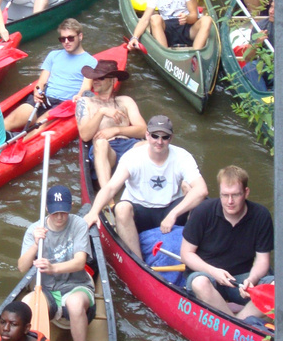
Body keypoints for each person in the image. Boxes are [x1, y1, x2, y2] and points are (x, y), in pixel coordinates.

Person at [83, 115, 208, 263]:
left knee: (203, 203)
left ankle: (199, 254)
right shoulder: (133, 157)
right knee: (121, 208)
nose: (159, 142)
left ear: (171, 138)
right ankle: (138, 263)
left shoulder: (182, 156)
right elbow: (110, 188)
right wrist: (93, 212)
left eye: (165, 137)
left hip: (170, 209)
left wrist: (173, 214)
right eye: (155, 136)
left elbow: (202, 190)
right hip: (140, 211)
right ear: (147, 135)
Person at [16, 183, 96, 341]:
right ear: (46, 209)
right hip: (48, 290)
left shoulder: (78, 225)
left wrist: (52, 268)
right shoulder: (35, 229)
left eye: (64, 212)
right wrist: (36, 245)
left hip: (77, 285)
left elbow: (79, 262)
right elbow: (22, 267)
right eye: (55, 213)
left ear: (70, 207)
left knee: (75, 304)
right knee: (26, 306)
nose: (60, 217)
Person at [181, 166, 273, 322]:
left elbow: (262, 260)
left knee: (276, 287)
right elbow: (186, 254)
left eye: (235, 195)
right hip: (208, 276)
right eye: (225, 195)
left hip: (242, 281)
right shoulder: (203, 211)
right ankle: (234, 324)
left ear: (246, 192)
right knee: (199, 283)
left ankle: (240, 322)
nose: (229, 201)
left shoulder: (261, 215)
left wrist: (252, 279)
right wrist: (213, 271)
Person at [4, 19, 95, 132]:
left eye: (71, 38)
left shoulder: (90, 61)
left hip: (64, 104)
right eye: (62, 39)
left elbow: (86, 87)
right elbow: (41, 82)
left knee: (38, 126)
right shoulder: (53, 55)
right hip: (44, 99)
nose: (66, 41)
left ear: (80, 36)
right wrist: (38, 91)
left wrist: (79, 96)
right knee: (11, 119)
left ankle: (19, 145)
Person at [76, 59, 146, 187]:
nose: (95, 81)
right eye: (94, 78)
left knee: (154, 144)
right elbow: (85, 135)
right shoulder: (86, 102)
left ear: (113, 80)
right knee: (101, 143)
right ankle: (108, 198)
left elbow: (142, 130)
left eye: (101, 78)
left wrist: (116, 130)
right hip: (106, 150)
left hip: (128, 146)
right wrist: (101, 112)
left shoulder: (125, 101)